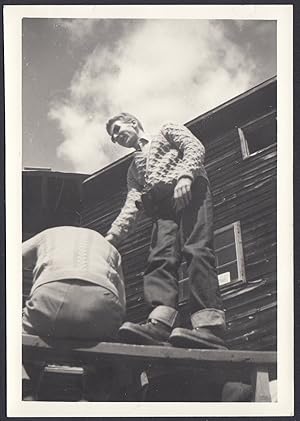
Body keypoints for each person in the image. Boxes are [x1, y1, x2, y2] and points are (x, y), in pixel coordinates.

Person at [105, 112, 226, 349]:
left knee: (197, 249)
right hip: (162, 206)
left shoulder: (166, 130)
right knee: (159, 259)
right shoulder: (133, 169)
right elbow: (132, 202)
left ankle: (209, 326)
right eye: (112, 137)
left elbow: (193, 146)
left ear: (133, 122)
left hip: (191, 191)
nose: (116, 137)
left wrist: (185, 176)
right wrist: (113, 235)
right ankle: (160, 323)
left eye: (118, 129)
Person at [22, 226, 126, 340]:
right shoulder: (111, 248)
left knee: (22, 339)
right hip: (101, 306)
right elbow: (121, 303)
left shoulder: (47, 234)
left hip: (48, 298)